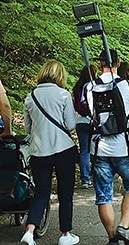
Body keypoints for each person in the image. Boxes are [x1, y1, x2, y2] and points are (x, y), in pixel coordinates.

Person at [87, 49, 129, 245]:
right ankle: (123, 226)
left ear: (99, 64)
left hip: (99, 147)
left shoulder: (90, 86)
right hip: (124, 146)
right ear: (118, 63)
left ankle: (112, 238)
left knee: (104, 194)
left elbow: (88, 113)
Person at [21, 60, 80, 245]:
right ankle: (65, 234)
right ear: (60, 75)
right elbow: (70, 125)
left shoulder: (31, 97)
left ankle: (29, 232)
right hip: (63, 150)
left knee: (41, 193)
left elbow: (28, 128)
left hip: (39, 152)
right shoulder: (63, 95)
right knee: (65, 193)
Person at [72, 65, 98, 189]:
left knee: (84, 151)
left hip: (80, 121)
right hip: (91, 121)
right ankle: (94, 174)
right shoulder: (93, 87)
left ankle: (85, 179)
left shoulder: (77, 88)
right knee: (94, 149)